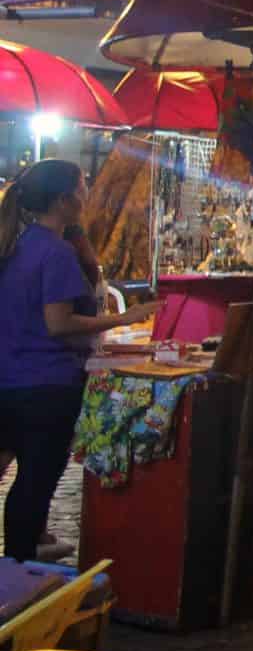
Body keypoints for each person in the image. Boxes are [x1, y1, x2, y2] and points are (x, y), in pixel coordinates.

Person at [0, 161, 155, 559]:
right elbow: (59, 322)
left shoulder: (16, 246)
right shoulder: (54, 252)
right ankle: (20, 572)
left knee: (21, 482)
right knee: (34, 483)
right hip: (46, 385)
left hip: (9, 378)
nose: (88, 194)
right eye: (83, 186)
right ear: (64, 200)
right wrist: (126, 317)